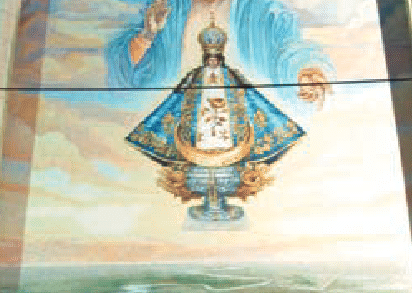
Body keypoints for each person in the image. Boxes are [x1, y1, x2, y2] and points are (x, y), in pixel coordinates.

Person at [108, 0, 333, 105]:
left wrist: (307, 71)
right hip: (181, 106)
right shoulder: (167, 2)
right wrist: (147, 34)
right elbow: (126, 66)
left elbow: (289, 44)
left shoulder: (259, 5)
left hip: (243, 105)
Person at [126, 18, 307, 221]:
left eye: (216, 58)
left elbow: (251, 97)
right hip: (200, 127)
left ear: (220, 57)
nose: (213, 61)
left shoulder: (231, 76)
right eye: (209, 58)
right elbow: (176, 99)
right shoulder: (195, 76)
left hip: (227, 128)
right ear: (205, 57)